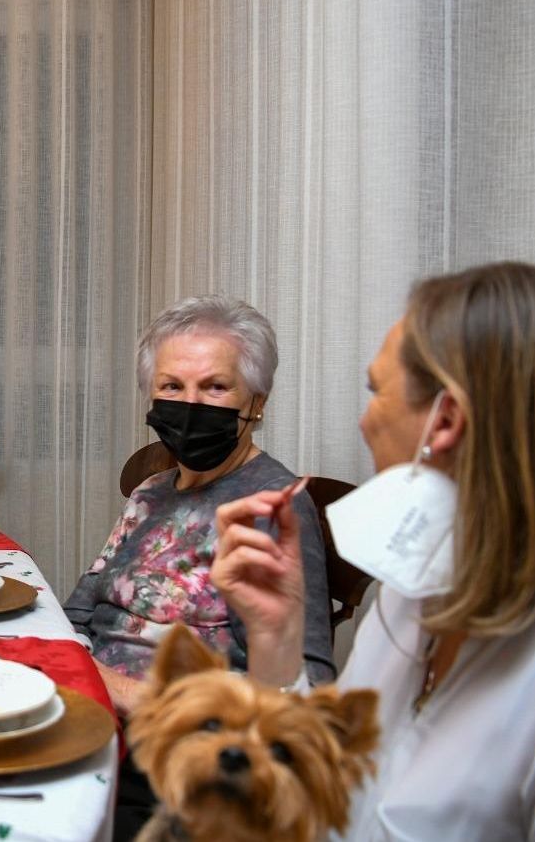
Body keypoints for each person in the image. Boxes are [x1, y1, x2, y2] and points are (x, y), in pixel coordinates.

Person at [213, 263, 535, 839]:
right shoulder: (410, 592)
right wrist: (277, 641)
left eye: (376, 391)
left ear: (445, 422)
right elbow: (327, 789)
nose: (365, 422)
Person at [64, 295, 337, 713]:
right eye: (172, 386)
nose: (190, 405)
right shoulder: (151, 491)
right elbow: (81, 610)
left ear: (257, 403)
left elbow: (305, 687)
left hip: (176, 742)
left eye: (215, 387)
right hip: (86, 705)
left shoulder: (273, 508)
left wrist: (110, 687)